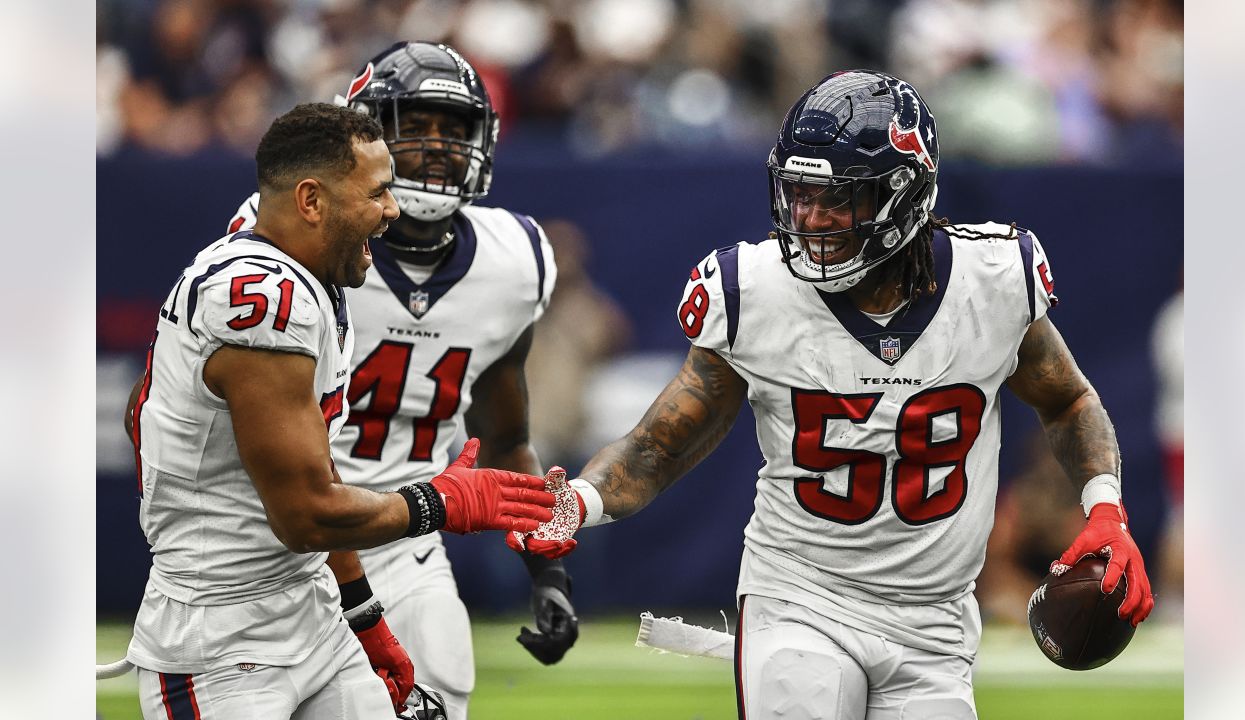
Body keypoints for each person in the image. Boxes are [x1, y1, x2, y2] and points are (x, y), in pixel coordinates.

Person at [512, 71, 1156, 719]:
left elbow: (1068, 401)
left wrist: (1105, 510)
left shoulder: (993, 281)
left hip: (935, 622)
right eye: (799, 193)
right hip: (801, 595)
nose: (810, 218)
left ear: (904, 194)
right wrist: (581, 503)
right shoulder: (756, 291)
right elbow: (660, 444)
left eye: (838, 198)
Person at [123, 102, 555, 720]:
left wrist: (367, 623)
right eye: (377, 192)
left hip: (314, 610)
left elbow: (318, 477)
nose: (393, 209)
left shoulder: (310, 283)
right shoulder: (261, 297)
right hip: (222, 638)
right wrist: (444, 501)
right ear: (310, 200)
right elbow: (306, 515)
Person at [225, 42, 578, 719]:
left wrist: (550, 569)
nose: (437, 146)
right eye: (413, 124)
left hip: (403, 537)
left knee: (443, 681)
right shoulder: (299, 236)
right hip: (280, 534)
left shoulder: (514, 261)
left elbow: (507, 437)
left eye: (454, 129)